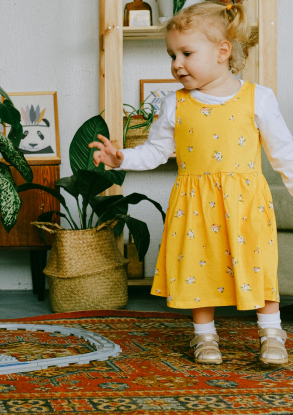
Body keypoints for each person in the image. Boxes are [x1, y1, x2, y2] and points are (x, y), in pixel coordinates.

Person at [89, 2, 292, 365]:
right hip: (194, 203)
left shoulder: (257, 97)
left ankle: (271, 332)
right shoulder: (174, 104)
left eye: (186, 53)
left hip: (245, 203)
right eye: (172, 55)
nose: (176, 64)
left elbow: (284, 154)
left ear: (222, 51)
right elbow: (154, 152)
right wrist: (122, 159)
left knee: (257, 264)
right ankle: (204, 336)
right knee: (199, 266)